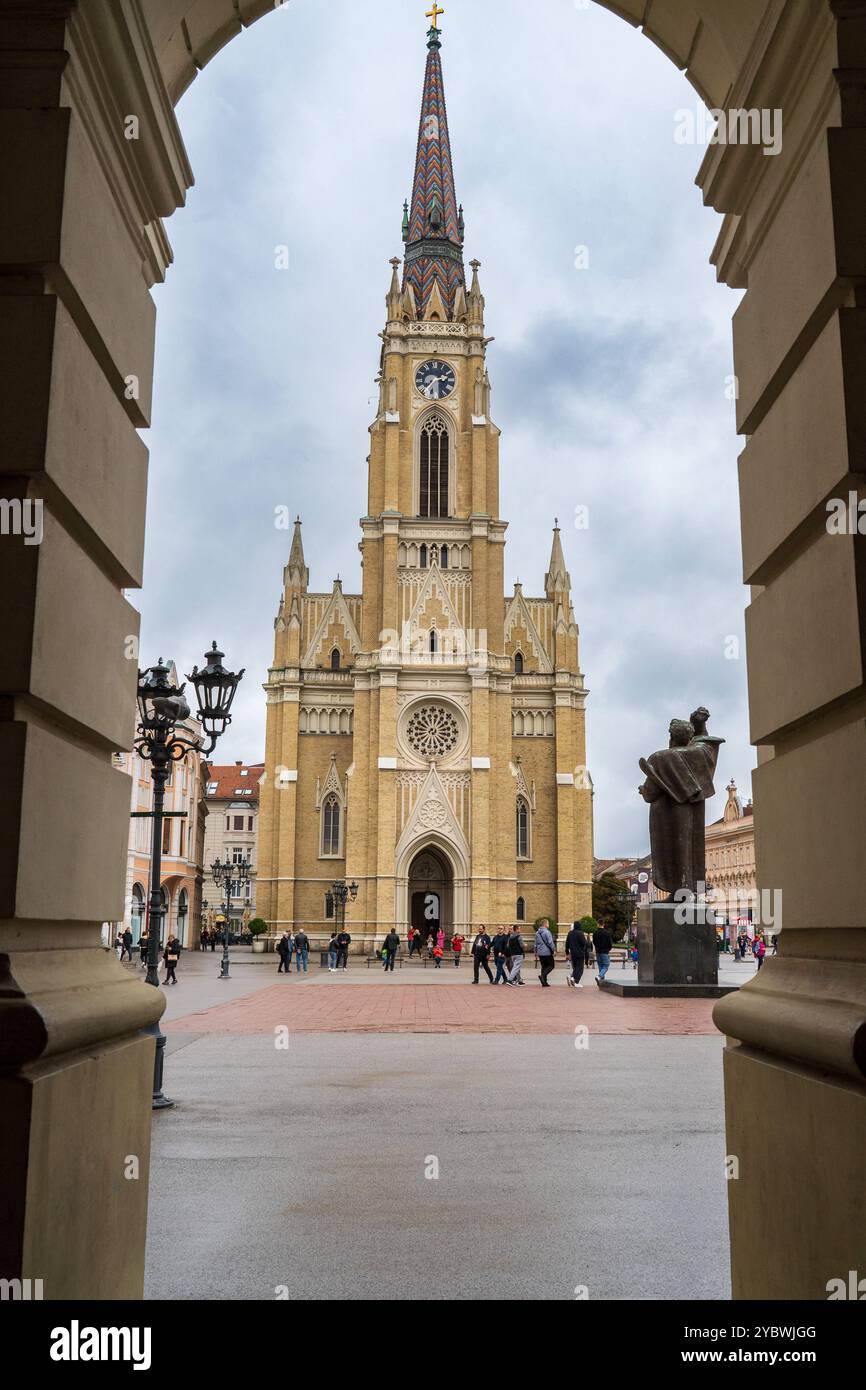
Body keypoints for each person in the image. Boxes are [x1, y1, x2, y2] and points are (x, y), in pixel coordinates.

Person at [564, 920, 588, 988]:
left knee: (575, 968)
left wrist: (567, 953)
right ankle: (575, 980)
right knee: (580, 968)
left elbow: (567, 943)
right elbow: (584, 943)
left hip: (572, 953)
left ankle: (571, 977)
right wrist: (584, 949)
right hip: (580, 953)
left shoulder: (570, 933)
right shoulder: (580, 933)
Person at [535, 918, 556, 987]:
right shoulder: (547, 932)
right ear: (545, 924)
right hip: (547, 952)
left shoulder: (537, 932)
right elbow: (550, 942)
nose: (548, 925)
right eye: (548, 923)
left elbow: (535, 943)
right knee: (551, 965)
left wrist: (535, 952)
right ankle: (542, 976)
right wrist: (554, 950)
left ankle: (544, 982)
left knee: (544, 966)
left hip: (540, 952)